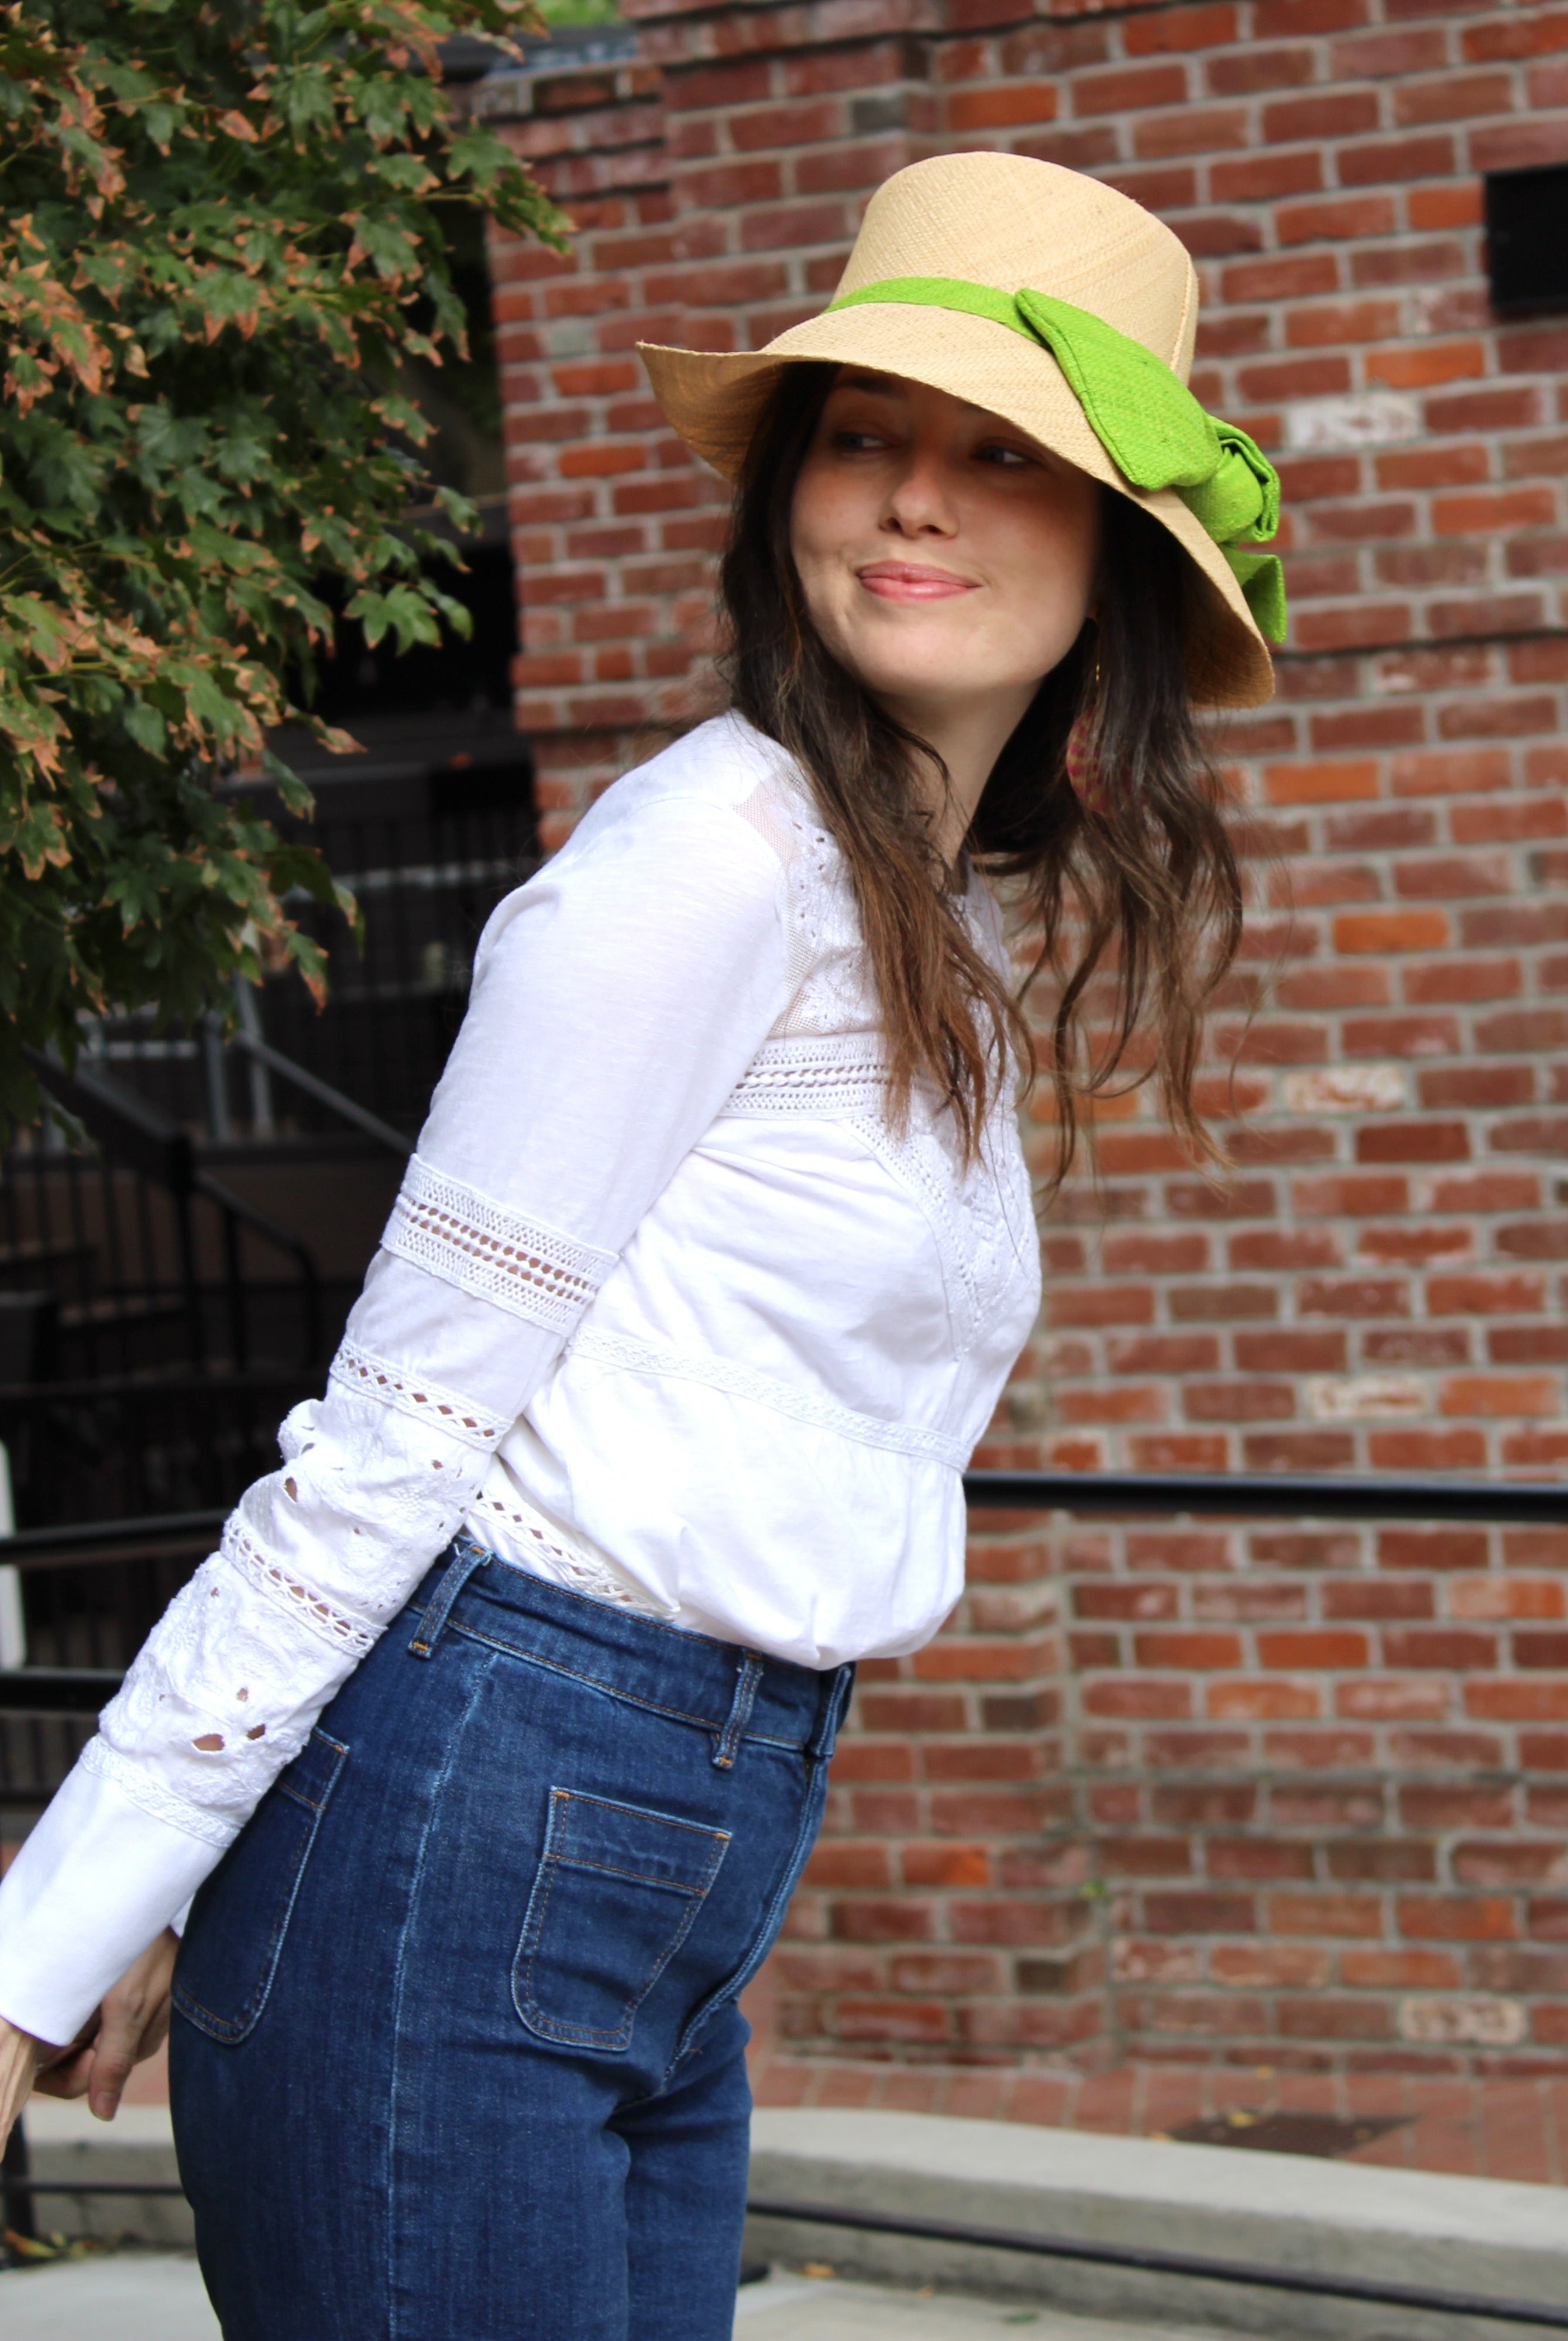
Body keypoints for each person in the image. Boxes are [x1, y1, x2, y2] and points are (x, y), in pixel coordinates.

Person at [0, 150, 1281, 2337]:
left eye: (1000, 453)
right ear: (789, 496)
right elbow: (399, 1430)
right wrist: (79, 1912)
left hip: (652, 1855)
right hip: (481, 1799)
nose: (913, 496)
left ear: (1119, 553)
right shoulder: (707, 861)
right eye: (864, 435)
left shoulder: (927, 913)